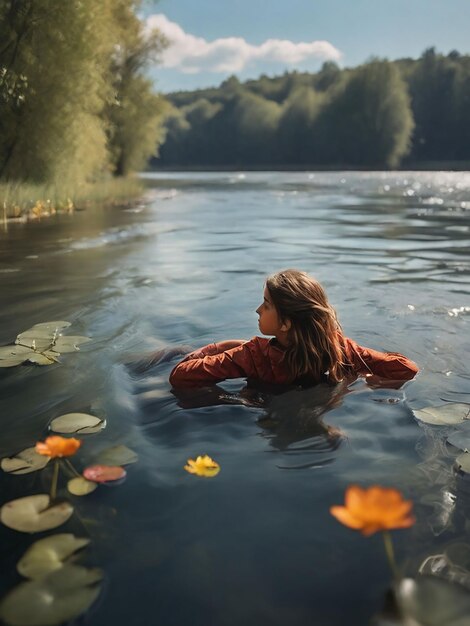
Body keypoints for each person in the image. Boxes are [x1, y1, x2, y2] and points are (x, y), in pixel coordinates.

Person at [169, 269, 418, 389]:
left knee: (176, 351)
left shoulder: (251, 355)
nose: (258, 310)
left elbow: (180, 375)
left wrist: (216, 348)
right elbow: (407, 368)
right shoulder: (339, 348)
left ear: (286, 323)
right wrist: (370, 379)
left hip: (260, 400)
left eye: (266, 305)